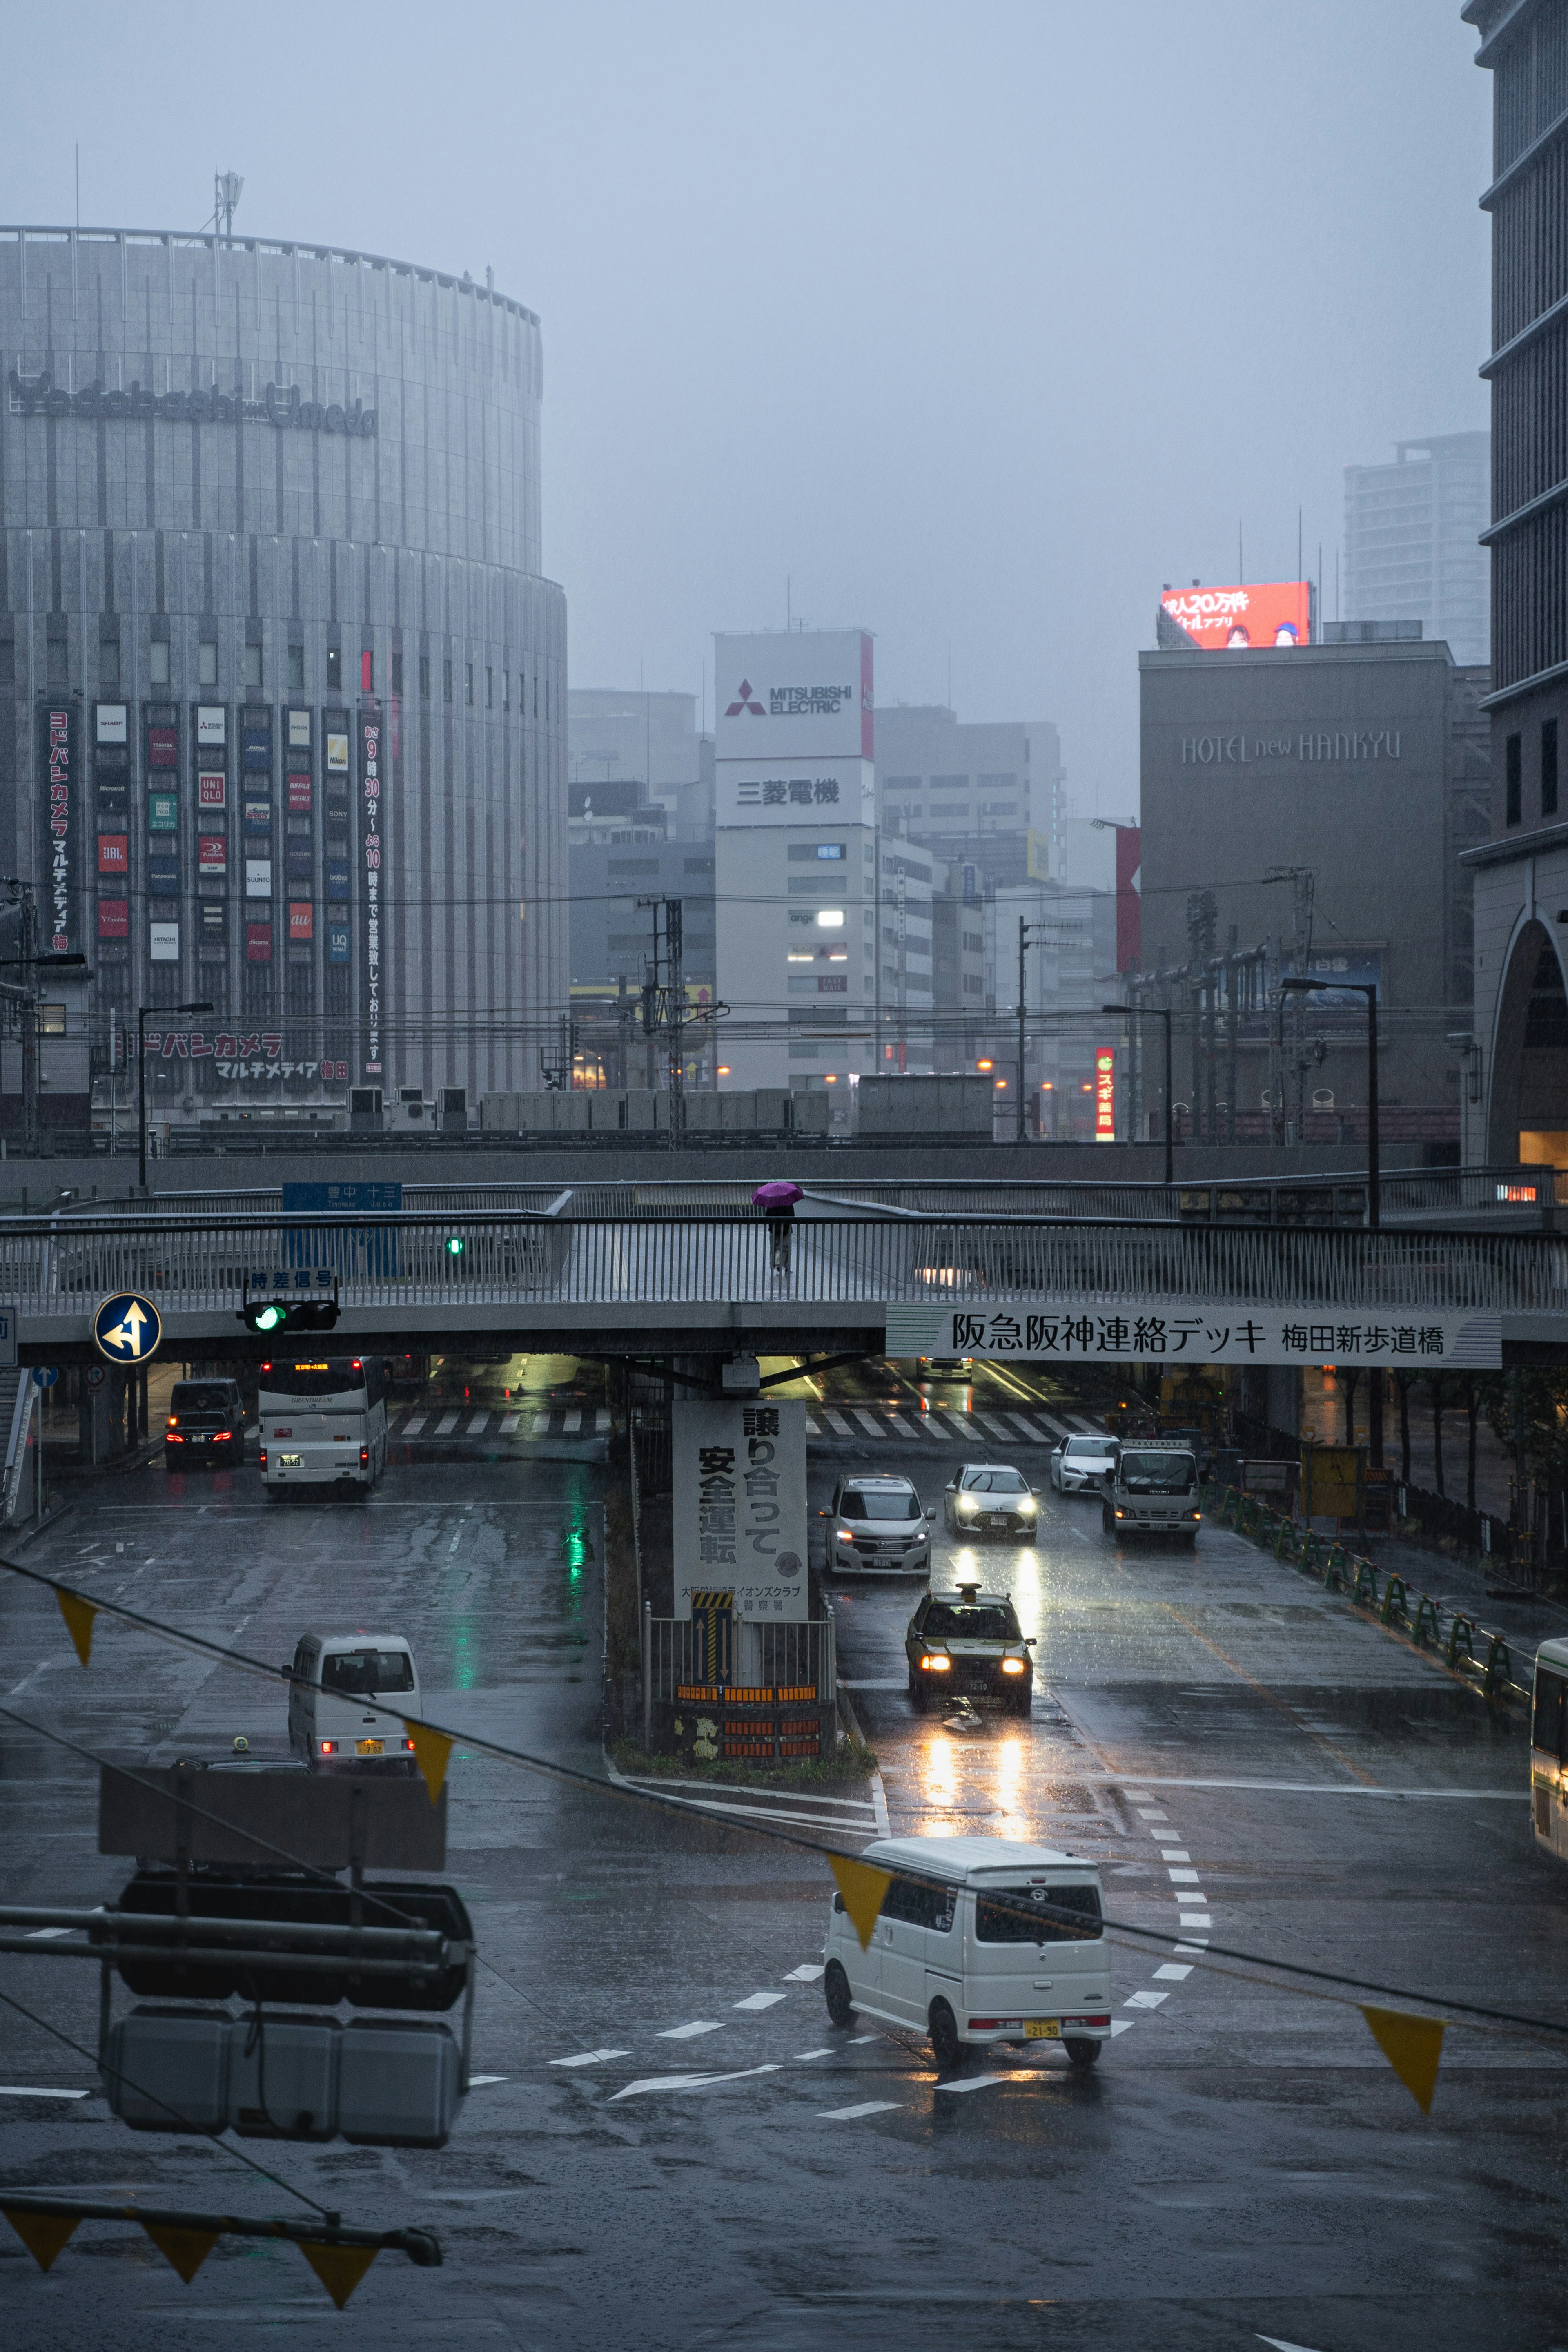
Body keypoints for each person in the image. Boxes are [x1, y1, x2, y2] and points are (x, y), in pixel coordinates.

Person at [766, 1198, 795, 1273]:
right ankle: (787, 1268)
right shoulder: (788, 1202)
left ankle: (777, 1265)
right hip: (786, 1228)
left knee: (775, 1247)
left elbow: (767, 1216)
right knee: (786, 1248)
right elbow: (792, 1215)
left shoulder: (771, 1202)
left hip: (774, 1229)